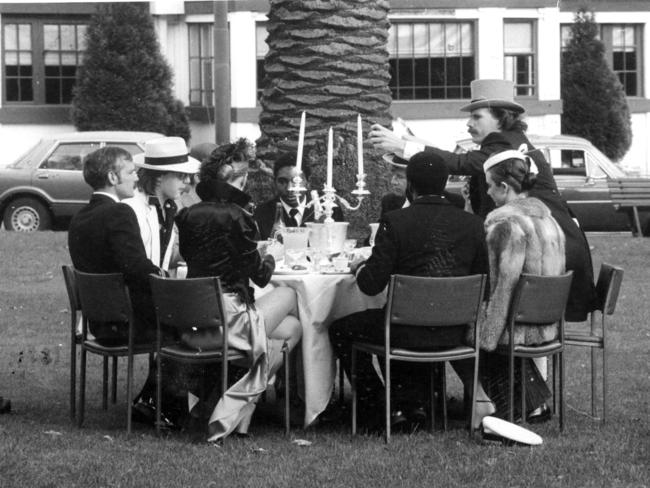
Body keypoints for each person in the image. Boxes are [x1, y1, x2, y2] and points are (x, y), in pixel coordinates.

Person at [369, 78, 596, 323]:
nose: (469, 123)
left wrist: (404, 146)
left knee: (516, 315)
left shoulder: (501, 143)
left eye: (477, 116)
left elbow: (460, 163)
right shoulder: (509, 141)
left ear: (501, 117)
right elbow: (459, 159)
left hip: (544, 250)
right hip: (553, 245)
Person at [328, 151, 493, 431]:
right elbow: (484, 286)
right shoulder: (474, 224)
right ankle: (407, 403)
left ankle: (378, 403)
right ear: (444, 183)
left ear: (410, 185)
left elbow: (370, 285)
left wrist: (358, 267)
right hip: (455, 330)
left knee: (342, 328)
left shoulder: (396, 221)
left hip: (403, 330)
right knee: (388, 318)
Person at [175, 138, 302, 442]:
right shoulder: (239, 216)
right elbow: (260, 277)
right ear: (239, 180)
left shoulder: (187, 215)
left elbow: (208, 255)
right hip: (230, 318)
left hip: (196, 318)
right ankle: (234, 409)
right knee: (289, 294)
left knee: (293, 328)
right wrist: (272, 255)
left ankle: (240, 417)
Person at [67, 146, 168, 425]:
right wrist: (166, 277)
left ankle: (153, 400)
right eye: (131, 171)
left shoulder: (79, 218)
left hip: (99, 323)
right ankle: (159, 403)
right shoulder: (120, 213)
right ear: (113, 177)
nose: (136, 178)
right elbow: (136, 268)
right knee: (190, 325)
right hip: (129, 325)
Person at [477, 148, 567, 421]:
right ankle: (533, 403)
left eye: (490, 187)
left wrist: (487, 334)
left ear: (503, 187)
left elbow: (503, 286)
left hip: (517, 327)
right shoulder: (550, 221)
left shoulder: (504, 223)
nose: (488, 193)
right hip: (547, 323)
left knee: (461, 327)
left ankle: (515, 407)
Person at [123, 137, 200, 272]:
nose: (187, 180)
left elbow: (164, 257)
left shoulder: (169, 207)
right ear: (159, 176)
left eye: (188, 175)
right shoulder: (132, 209)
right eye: (181, 175)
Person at [253, 152, 345, 240]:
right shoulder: (262, 213)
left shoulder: (329, 210)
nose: (289, 188)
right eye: (282, 182)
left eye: (296, 181)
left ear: (308, 182)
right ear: (274, 182)